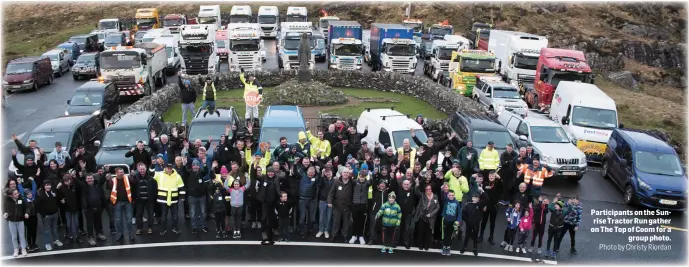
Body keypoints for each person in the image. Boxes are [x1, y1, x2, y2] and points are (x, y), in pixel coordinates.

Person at [106, 168, 137, 241]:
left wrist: (133, 176)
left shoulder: (127, 178)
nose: (122, 173)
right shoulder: (113, 180)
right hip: (117, 202)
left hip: (127, 201)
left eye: (123, 172)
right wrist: (108, 180)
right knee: (118, 220)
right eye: (120, 172)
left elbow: (134, 182)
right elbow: (108, 187)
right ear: (116, 173)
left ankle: (130, 233)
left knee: (129, 220)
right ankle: (120, 234)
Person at [154, 163, 185, 235]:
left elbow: (181, 187)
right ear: (165, 168)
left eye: (170, 168)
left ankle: (175, 228)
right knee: (164, 216)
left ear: (172, 168)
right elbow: (152, 178)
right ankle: (163, 229)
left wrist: (182, 197)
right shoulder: (159, 175)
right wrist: (152, 165)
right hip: (163, 199)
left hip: (174, 199)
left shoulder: (177, 176)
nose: (169, 169)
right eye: (168, 168)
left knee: (175, 215)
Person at [328, 168, 354, 242]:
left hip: (347, 206)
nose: (346, 174)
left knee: (346, 223)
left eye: (347, 173)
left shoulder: (351, 182)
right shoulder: (336, 182)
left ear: (349, 174)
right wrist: (329, 202)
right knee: (336, 222)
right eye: (344, 172)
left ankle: (345, 236)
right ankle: (333, 235)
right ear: (341, 174)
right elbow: (331, 193)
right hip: (337, 206)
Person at [81, 173, 107, 246]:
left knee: (98, 222)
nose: (90, 180)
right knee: (90, 224)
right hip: (89, 209)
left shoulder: (97, 185)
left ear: (93, 179)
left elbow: (102, 180)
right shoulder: (84, 186)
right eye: (88, 178)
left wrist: (105, 171)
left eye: (91, 178)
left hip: (98, 207)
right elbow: (78, 182)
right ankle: (90, 237)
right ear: (86, 180)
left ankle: (98, 234)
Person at [411, 184, 439, 251]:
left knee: (428, 232)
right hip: (422, 216)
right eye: (427, 189)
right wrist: (417, 185)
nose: (428, 190)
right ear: (425, 190)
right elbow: (417, 192)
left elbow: (437, 207)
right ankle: (420, 245)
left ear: (431, 189)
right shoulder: (422, 196)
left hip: (430, 218)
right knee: (420, 231)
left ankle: (426, 245)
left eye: (429, 189)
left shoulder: (435, 197)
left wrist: (431, 214)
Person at [35, 181, 62, 250]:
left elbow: (57, 201)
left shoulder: (53, 193)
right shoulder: (40, 194)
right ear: (44, 186)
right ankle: (47, 243)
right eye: (46, 185)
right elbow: (38, 206)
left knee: (54, 228)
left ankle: (56, 240)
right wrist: (43, 215)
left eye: (49, 185)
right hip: (46, 216)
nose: (48, 186)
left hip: (55, 214)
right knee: (46, 230)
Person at [186, 159, 209, 234]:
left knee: (203, 212)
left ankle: (203, 226)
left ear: (199, 166)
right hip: (192, 196)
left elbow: (206, 171)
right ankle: (194, 227)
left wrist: (205, 163)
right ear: (192, 166)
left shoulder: (201, 172)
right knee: (193, 213)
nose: (196, 166)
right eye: (194, 165)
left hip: (202, 195)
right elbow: (183, 172)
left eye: (197, 165)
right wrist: (184, 164)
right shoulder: (189, 172)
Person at [258, 167, 280, 245]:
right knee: (264, 217)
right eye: (269, 172)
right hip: (265, 202)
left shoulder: (276, 179)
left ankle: (274, 228)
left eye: (272, 172)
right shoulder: (263, 178)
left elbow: (277, 189)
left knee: (273, 217)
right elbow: (255, 176)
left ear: (274, 173)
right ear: (266, 172)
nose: (270, 173)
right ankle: (263, 232)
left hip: (273, 201)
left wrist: (280, 196)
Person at [57, 174, 82, 244]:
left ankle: (78, 237)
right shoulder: (62, 188)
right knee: (68, 224)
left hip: (76, 208)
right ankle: (70, 237)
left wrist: (75, 178)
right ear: (63, 182)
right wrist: (57, 188)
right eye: (65, 181)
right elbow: (59, 197)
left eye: (68, 181)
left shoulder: (75, 186)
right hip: (67, 209)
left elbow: (81, 187)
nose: (67, 182)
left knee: (76, 224)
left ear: (70, 180)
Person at [479, 171, 502, 245]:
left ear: (495, 177)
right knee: (484, 222)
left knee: (492, 223)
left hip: (494, 206)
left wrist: (500, 178)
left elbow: (503, 186)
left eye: (493, 176)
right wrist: (483, 205)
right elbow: (482, 195)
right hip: (486, 206)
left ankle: (491, 237)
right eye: (490, 176)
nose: (491, 177)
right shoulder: (485, 183)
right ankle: (481, 235)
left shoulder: (498, 183)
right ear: (488, 176)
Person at [133, 163, 156, 235]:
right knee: (139, 215)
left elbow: (155, 188)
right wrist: (135, 198)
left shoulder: (151, 178)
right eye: (141, 169)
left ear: (146, 169)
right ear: (138, 169)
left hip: (149, 200)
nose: (142, 170)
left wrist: (153, 197)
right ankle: (139, 228)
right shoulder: (135, 178)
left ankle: (150, 227)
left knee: (150, 215)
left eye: (143, 169)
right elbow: (132, 189)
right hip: (139, 200)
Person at [5, 188, 29, 257]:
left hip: (20, 220)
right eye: (15, 194)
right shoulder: (7, 200)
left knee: (22, 235)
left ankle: (23, 248)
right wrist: (5, 213)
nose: (17, 195)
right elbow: (4, 208)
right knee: (14, 237)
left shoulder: (21, 199)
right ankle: (16, 249)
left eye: (17, 193)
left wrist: (26, 213)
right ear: (11, 195)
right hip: (11, 221)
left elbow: (26, 207)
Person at [351, 166, 371, 245]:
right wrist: (353, 166)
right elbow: (350, 176)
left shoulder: (368, 183)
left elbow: (373, 180)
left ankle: (361, 236)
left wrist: (372, 174)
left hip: (363, 205)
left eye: (363, 177)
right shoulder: (355, 182)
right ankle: (354, 235)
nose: (361, 178)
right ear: (358, 176)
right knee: (354, 221)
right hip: (355, 205)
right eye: (360, 176)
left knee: (362, 222)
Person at [298, 166, 319, 239]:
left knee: (311, 217)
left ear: (314, 173)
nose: (310, 174)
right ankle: (302, 231)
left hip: (311, 200)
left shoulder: (316, 178)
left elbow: (320, 182)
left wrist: (319, 173)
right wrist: (294, 164)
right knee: (302, 217)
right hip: (302, 199)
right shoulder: (302, 176)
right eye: (309, 172)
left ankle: (310, 230)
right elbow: (295, 172)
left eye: (312, 173)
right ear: (307, 172)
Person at [440, 190, 461, 256]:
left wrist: (458, 220)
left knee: (450, 235)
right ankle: (444, 247)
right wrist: (444, 189)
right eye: (449, 195)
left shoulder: (457, 202)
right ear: (447, 195)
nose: (451, 196)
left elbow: (459, 212)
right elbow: (443, 195)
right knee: (444, 235)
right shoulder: (446, 200)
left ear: (454, 195)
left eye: (452, 195)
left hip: (453, 221)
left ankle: (448, 247)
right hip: (445, 220)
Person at [316, 167, 334, 239]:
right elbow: (319, 185)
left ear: (332, 173)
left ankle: (326, 230)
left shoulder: (334, 181)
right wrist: (322, 175)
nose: (328, 173)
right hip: (322, 201)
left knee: (329, 217)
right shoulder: (322, 179)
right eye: (327, 172)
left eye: (329, 172)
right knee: (321, 217)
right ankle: (321, 230)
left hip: (330, 202)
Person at [546, 196, 565, 260]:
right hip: (551, 227)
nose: (555, 206)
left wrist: (568, 204)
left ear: (560, 207)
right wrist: (553, 202)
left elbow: (569, 210)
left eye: (557, 205)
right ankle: (547, 251)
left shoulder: (563, 212)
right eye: (556, 205)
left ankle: (554, 252)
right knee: (549, 239)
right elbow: (549, 207)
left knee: (556, 240)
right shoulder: (553, 210)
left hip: (558, 229)